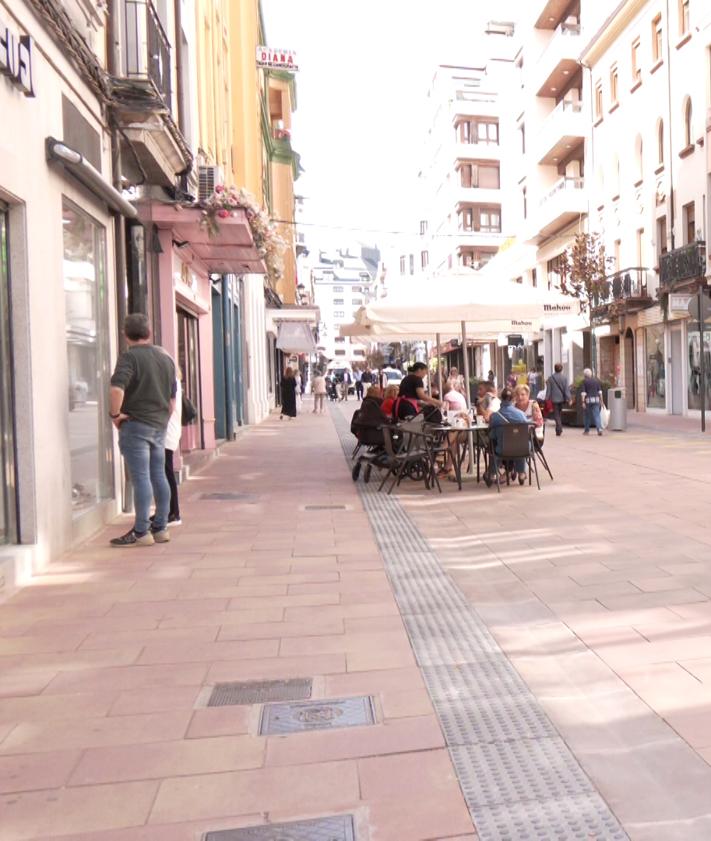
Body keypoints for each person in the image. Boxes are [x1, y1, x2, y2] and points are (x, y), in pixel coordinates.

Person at [108, 313, 176, 547]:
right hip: (158, 425)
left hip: (136, 424)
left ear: (125, 335)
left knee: (141, 477)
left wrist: (115, 416)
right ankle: (161, 527)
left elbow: (117, 389)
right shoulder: (165, 358)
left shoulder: (129, 358)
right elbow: (172, 400)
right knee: (159, 474)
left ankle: (141, 531)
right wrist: (162, 419)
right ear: (149, 333)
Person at [485, 386, 530, 487]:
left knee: (493, 445)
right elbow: (525, 432)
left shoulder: (495, 416)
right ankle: (521, 473)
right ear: (513, 399)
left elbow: (491, 434)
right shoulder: (521, 415)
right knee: (520, 443)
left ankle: (492, 473)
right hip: (521, 449)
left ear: (500, 399)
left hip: (502, 450)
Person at [545, 363, 571, 437]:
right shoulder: (564, 378)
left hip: (554, 399)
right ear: (561, 369)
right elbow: (566, 389)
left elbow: (548, 390)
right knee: (559, 413)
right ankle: (558, 428)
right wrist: (569, 398)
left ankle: (559, 428)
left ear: (554, 369)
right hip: (562, 398)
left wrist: (547, 399)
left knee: (556, 414)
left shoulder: (550, 378)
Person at [581, 367, 605, 436]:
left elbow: (583, 393)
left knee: (587, 415)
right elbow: (600, 392)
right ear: (591, 374)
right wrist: (602, 401)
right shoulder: (596, 381)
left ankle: (586, 430)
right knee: (597, 415)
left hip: (588, 400)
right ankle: (599, 429)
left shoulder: (584, 382)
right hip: (596, 399)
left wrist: (583, 402)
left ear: (585, 375)